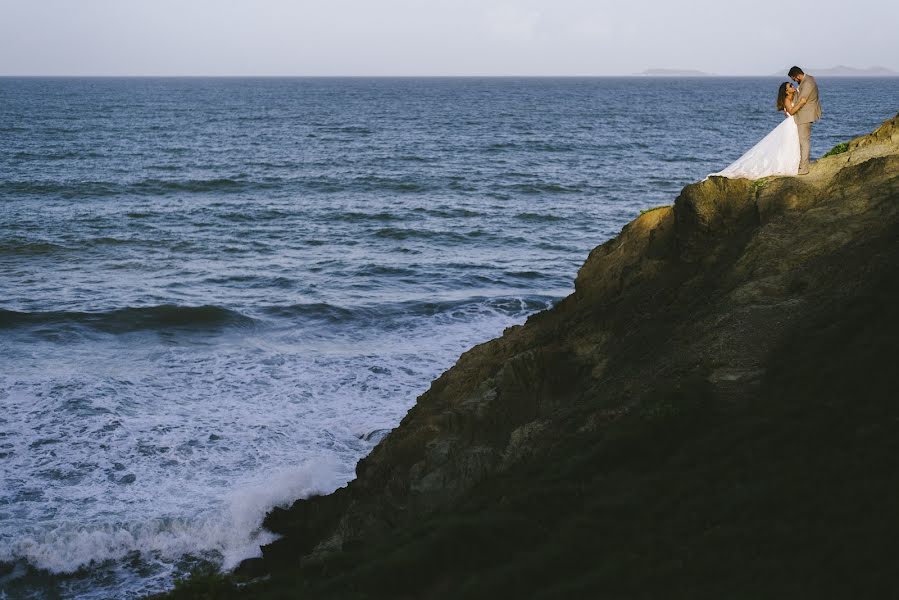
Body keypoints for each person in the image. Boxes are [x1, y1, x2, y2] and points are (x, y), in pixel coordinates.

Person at [708, 82, 800, 179]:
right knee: (790, 145)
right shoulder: (787, 100)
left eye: (792, 84)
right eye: (790, 86)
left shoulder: (793, 97)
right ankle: (788, 166)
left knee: (791, 145)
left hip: (793, 124)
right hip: (791, 125)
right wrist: (801, 102)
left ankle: (792, 165)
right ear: (786, 91)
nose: (792, 86)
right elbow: (792, 112)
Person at [786, 66, 822, 175]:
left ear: (797, 76)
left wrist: (791, 110)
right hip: (804, 114)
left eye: (794, 79)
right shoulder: (808, 79)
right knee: (803, 141)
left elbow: (802, 100)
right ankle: (801, 165)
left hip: (805, 115)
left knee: (804, 142)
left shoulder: (807, 83)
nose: (794, 81)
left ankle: (804, 168)